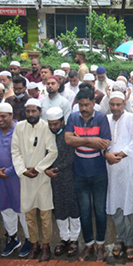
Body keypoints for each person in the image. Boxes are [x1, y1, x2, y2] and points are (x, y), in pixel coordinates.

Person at [65, 89, 112, 261]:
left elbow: (105, 143)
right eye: (81, 105)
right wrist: (90, 140)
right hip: (79, 173)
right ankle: (89, 244)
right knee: (84, 211)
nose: (84, 108)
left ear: (94, 103)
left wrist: (80, 139)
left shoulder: (101, 118)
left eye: (87, 104)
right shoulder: (72, 117)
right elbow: (68, 140)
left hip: (99, 172)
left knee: (100, 211)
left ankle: (100, 245)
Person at [11, 99, 58, 261]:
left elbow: (53, 152)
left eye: (34, 111)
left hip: (42, 176)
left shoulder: (46, 127)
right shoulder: (19, 127)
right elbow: (15, 151)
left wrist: (37, 169)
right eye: (28, 111)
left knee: (45, 215)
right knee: (29, 215)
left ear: (40, 111)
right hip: (25, 177)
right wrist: (23, 170)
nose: (31, 114)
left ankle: (46, 246)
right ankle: (34, 244)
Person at [0, 103, 33, 257]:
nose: (0, 119)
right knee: (5, 209)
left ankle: (29, 239)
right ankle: (13, 238)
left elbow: (24, 153)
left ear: (11, 115)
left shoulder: (20, 129)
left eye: (3, 116)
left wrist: (10, 170)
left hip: (16, 177)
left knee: (21, 209)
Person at [104, 92, 133, 260]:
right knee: (116, 205)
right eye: (112, 104)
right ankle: (119, 239)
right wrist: (106, 154)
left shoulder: (132, 119)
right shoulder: (105, 119)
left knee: (129, 206)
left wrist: (120, 154)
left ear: (124, 103)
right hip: (111, 170)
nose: (115, 108)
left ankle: (129, 242)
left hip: (127, 168)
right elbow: (102, 141)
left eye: (118, 104)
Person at [44, 107, 80, 257]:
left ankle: (74, 239)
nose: (53, 127)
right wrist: (47, 169)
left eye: (55, 124)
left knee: (72, 207)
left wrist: (56, 168)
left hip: (69, 176)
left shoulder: (69, 134)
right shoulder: (46, 134)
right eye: (50, 124)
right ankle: (64, 238)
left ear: (62, 121)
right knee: (59, 208)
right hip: (53, 178)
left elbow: (71, 157)